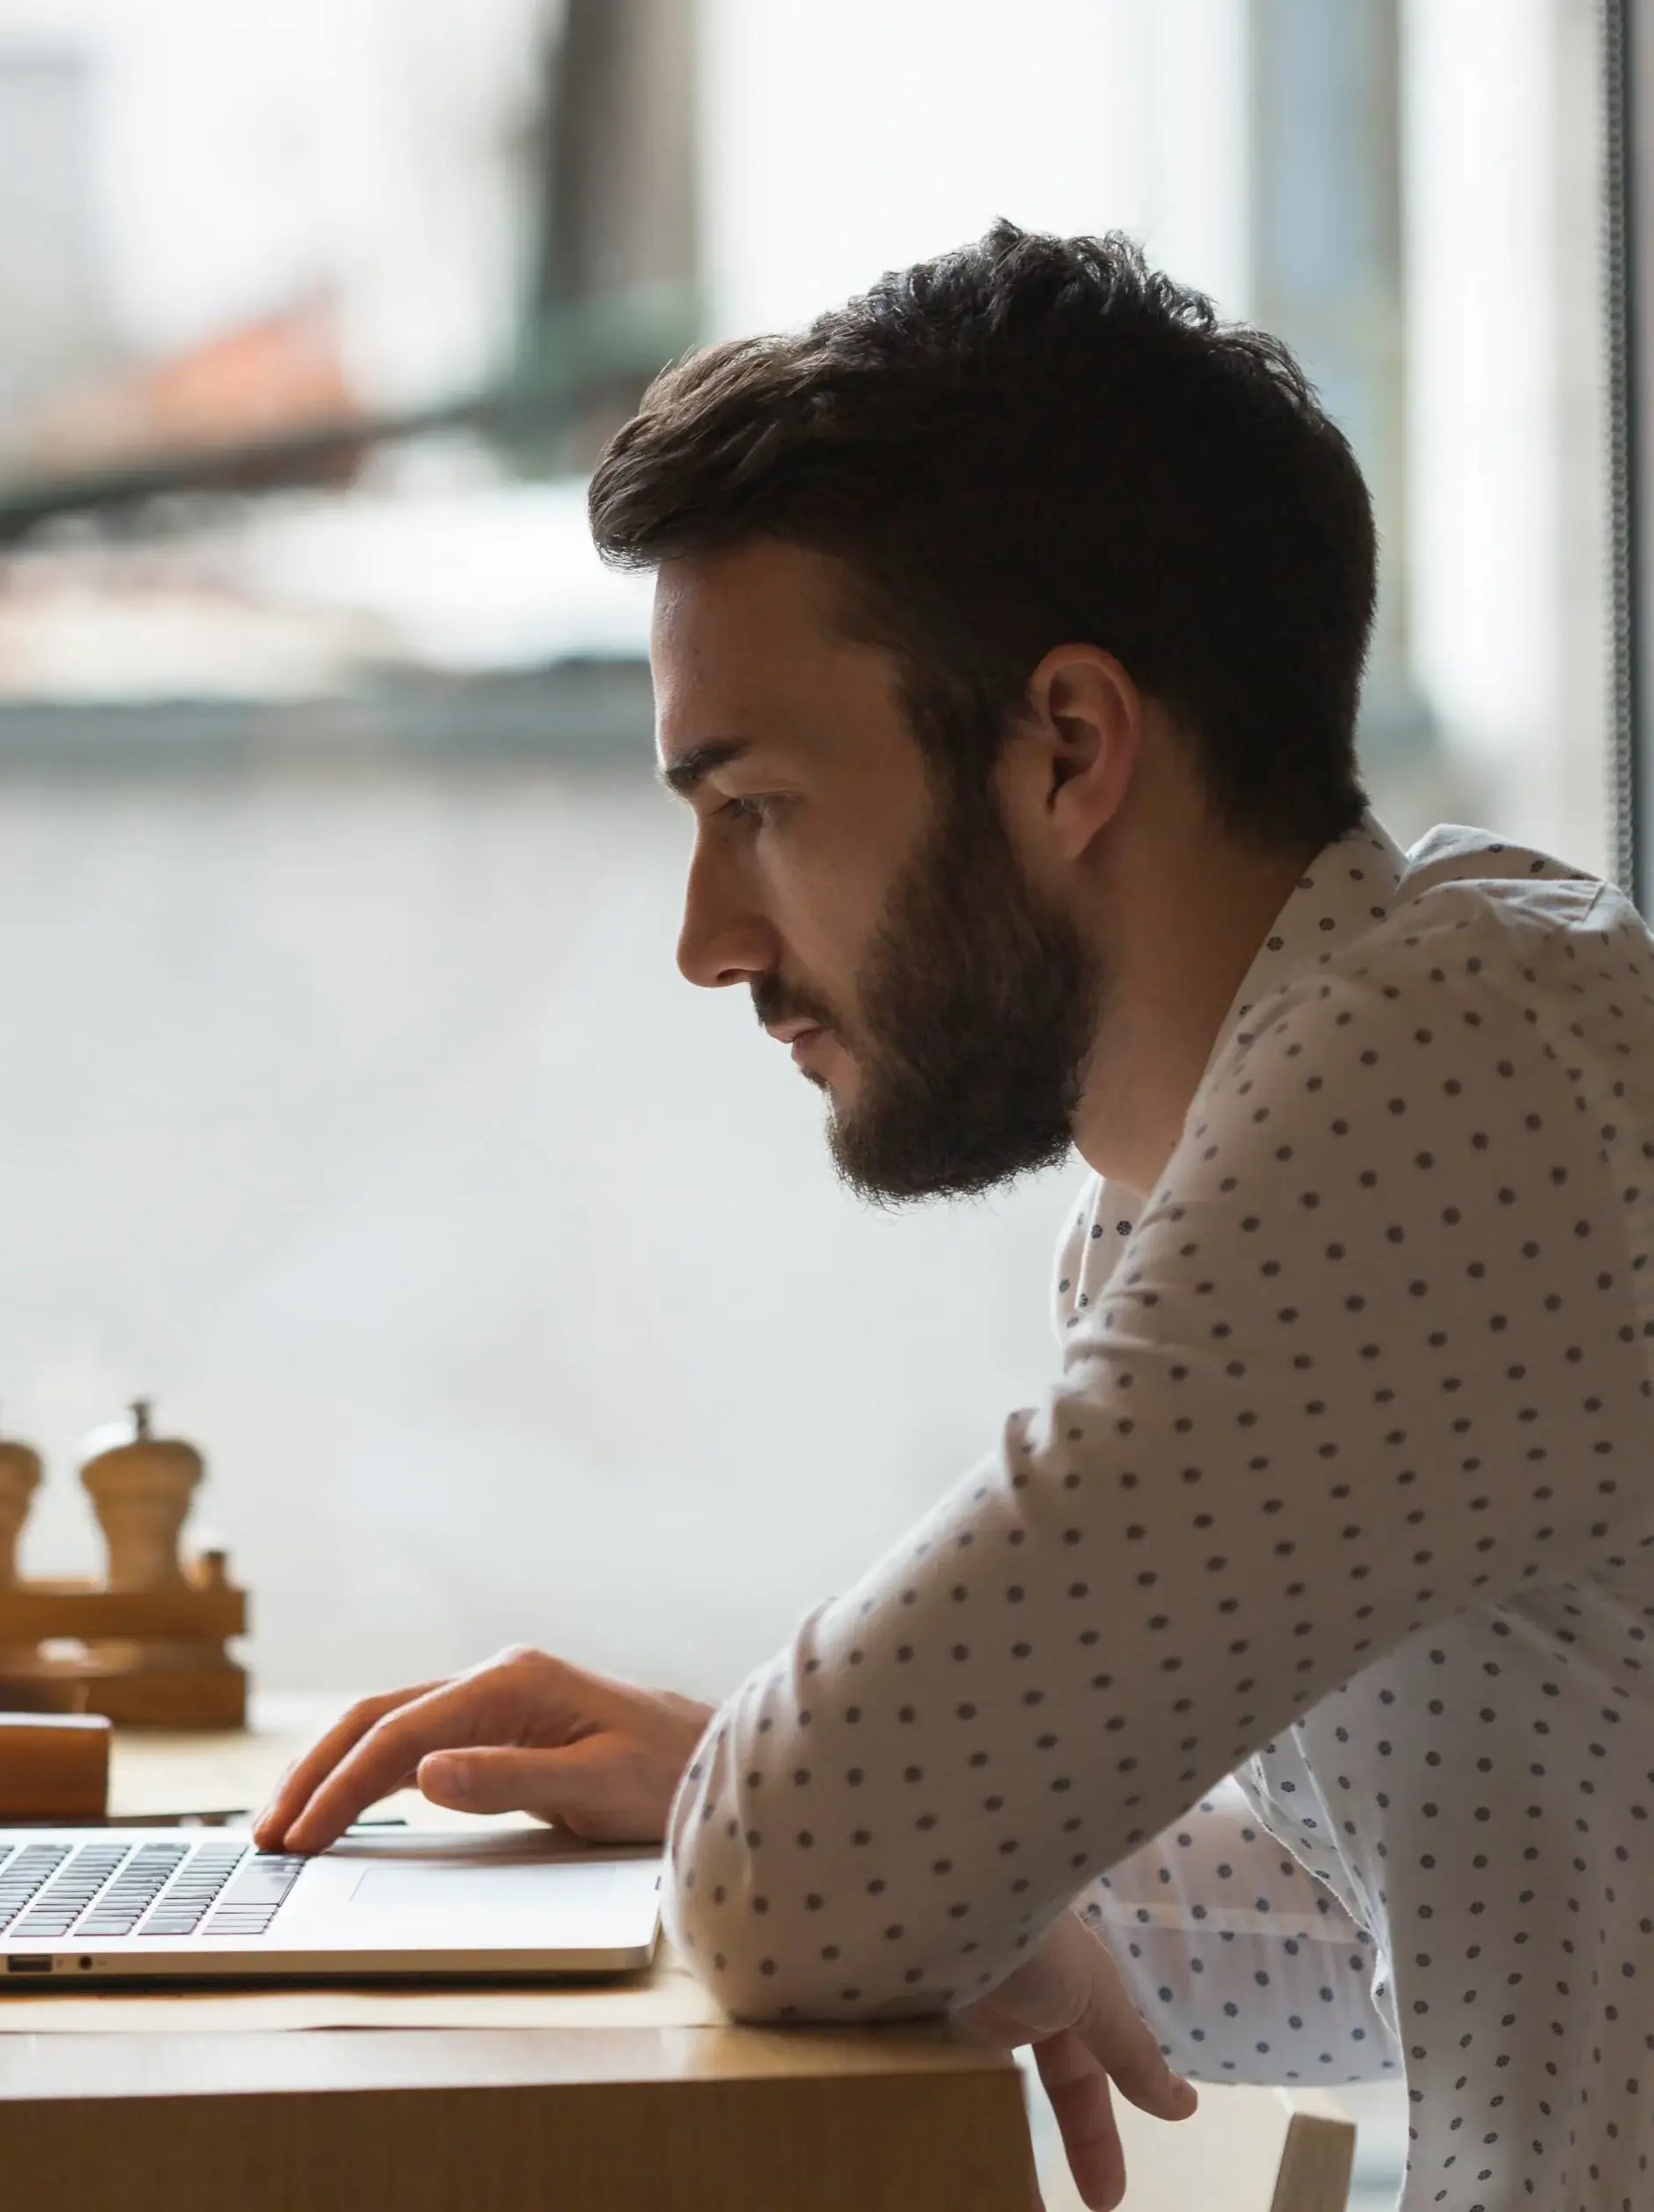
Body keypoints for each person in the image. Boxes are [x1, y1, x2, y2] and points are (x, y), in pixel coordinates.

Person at [254, 224, 1654, 2212]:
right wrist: (775, 1789)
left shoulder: (1442, 1083)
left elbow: (794, 1885)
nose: (705, 939)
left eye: (756, 807)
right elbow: (1387, 1915)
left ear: (1068, 747)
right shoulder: (1315, 1093)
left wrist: (826, 1827)